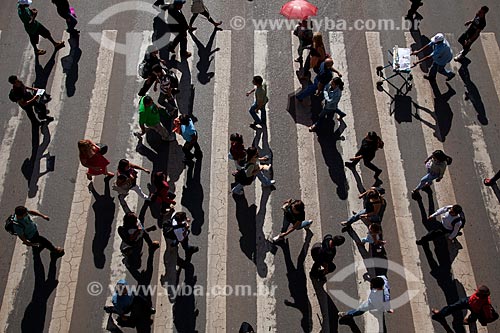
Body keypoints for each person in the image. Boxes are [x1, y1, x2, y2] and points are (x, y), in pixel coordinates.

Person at [431, 285, 498, 326]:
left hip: (475, 310)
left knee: (473, 317)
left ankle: (469, 321)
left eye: (478, 291)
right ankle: (441, 314)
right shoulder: (479, 295)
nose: (476, 291)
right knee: (452, 307)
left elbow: (488, 313)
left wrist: (487, 319)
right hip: (468, 301)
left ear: (481, 295)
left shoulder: (486, 304)